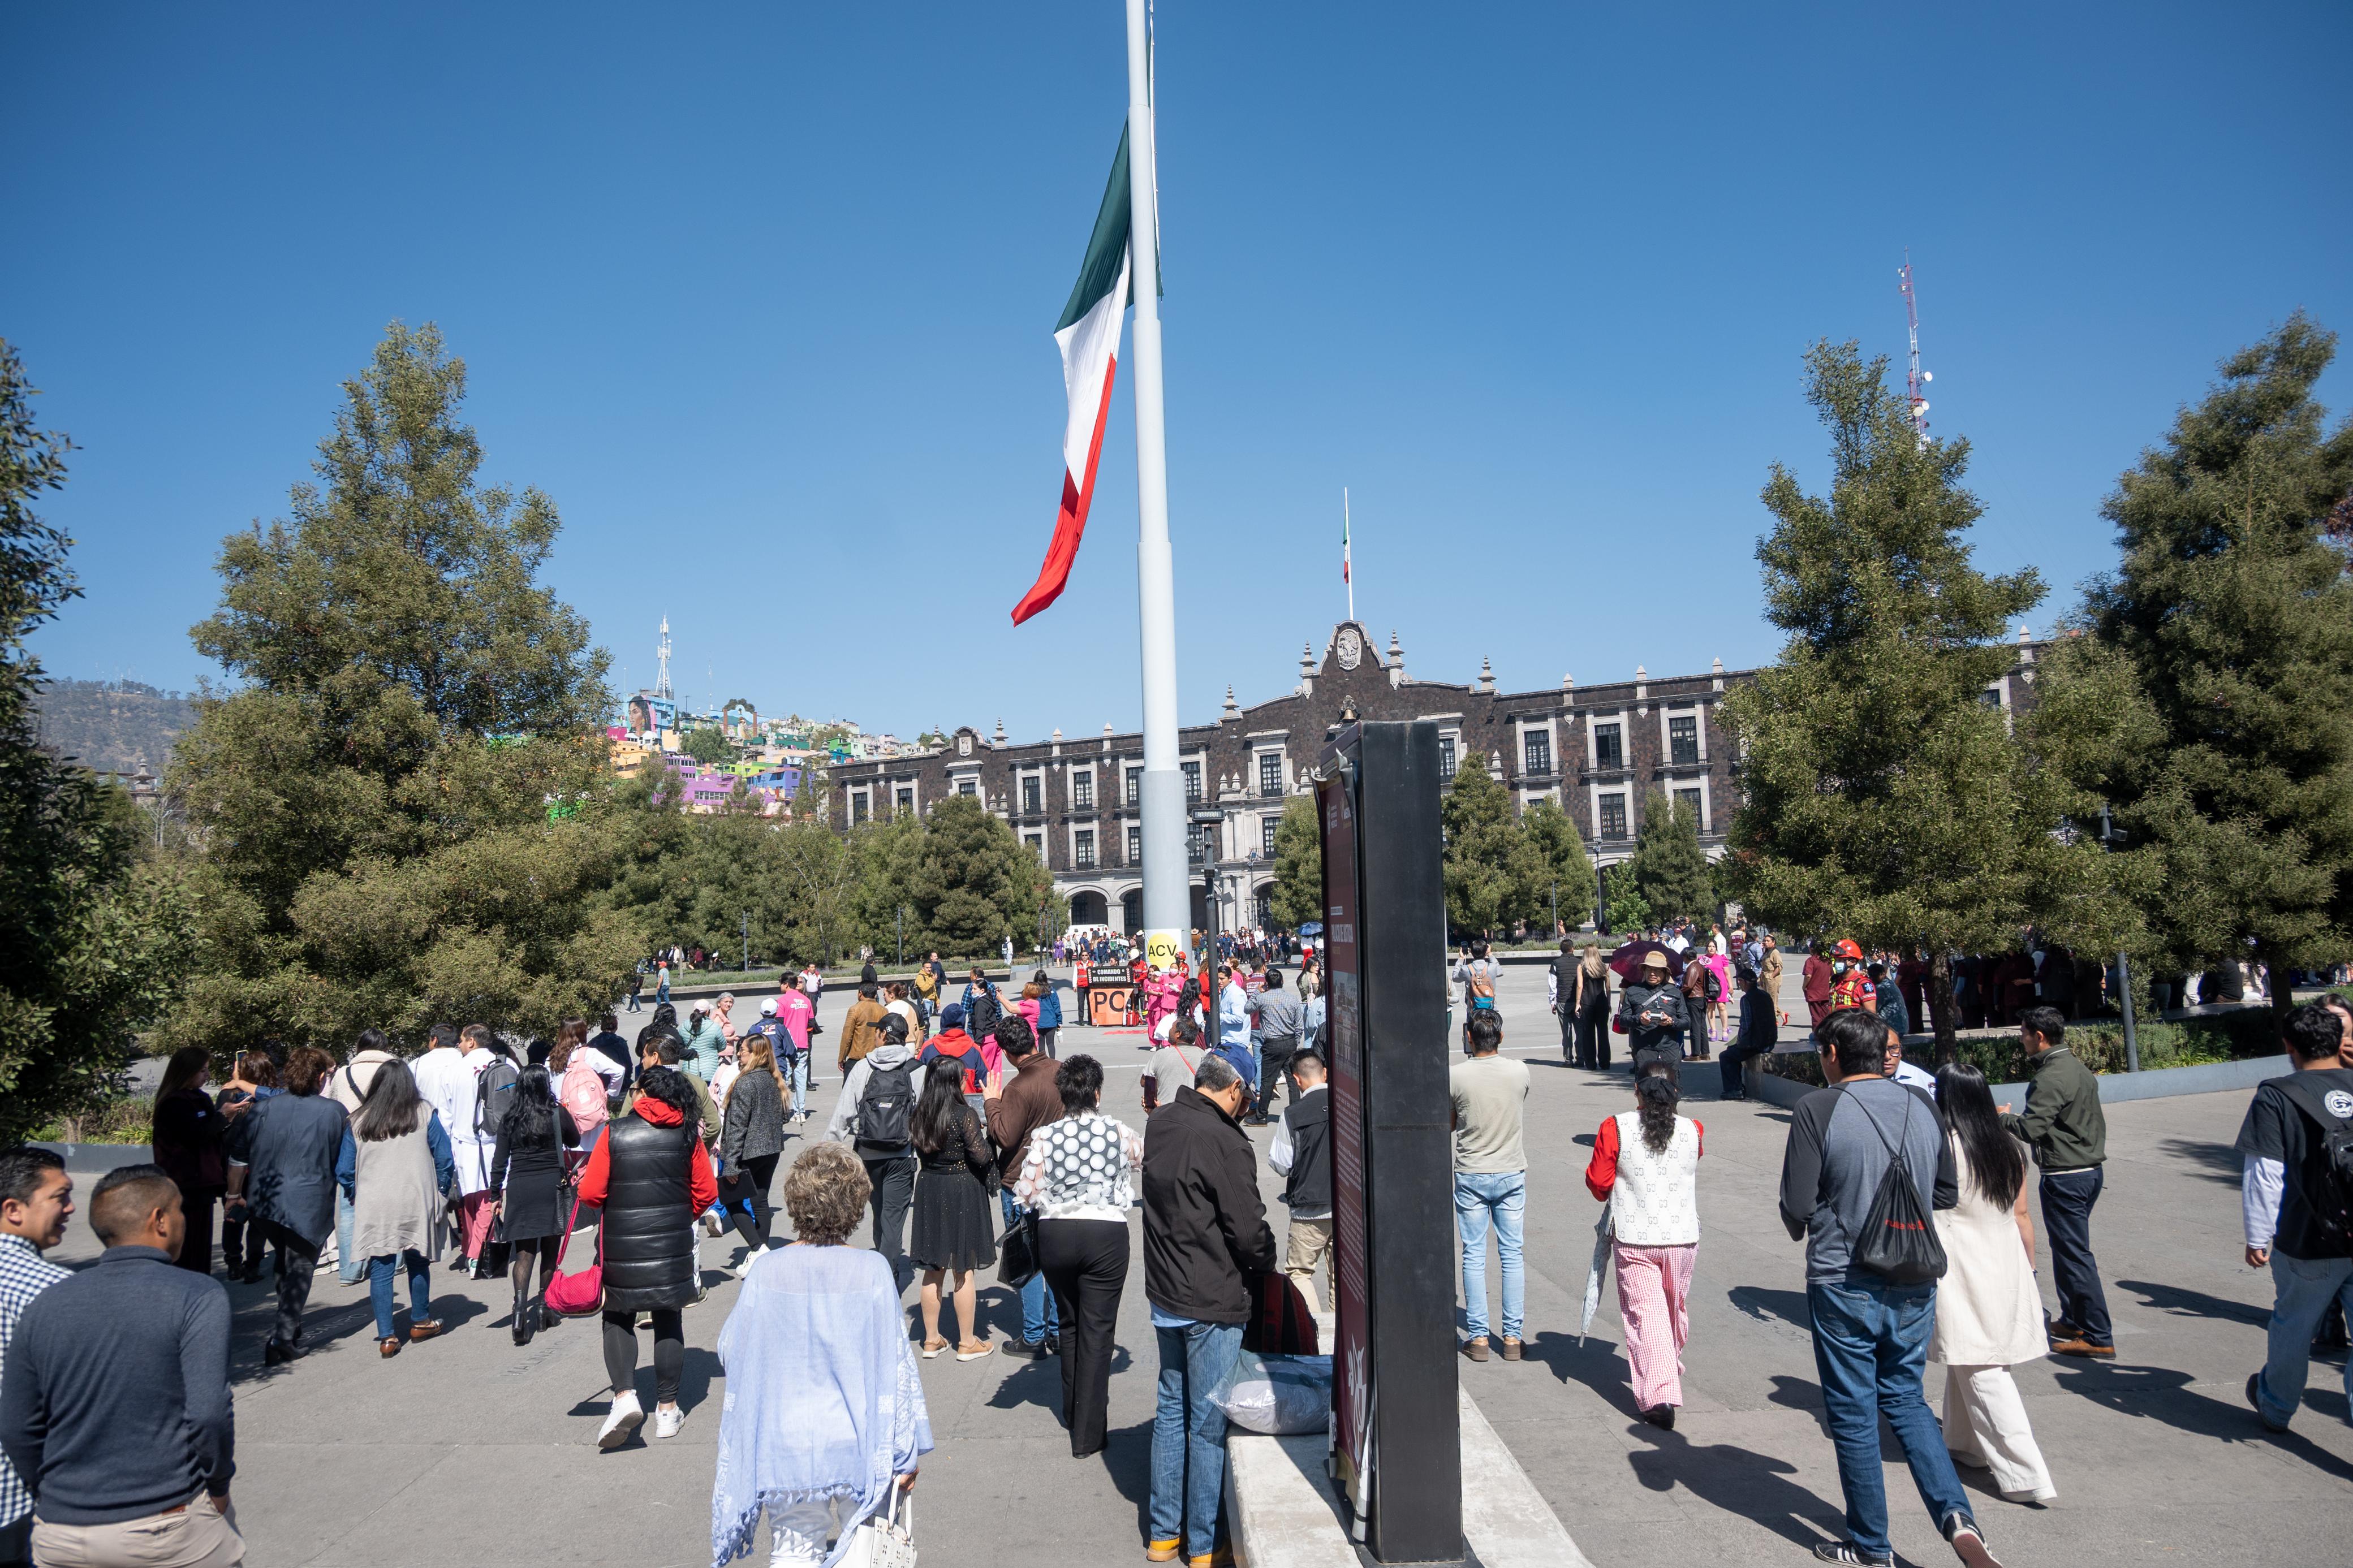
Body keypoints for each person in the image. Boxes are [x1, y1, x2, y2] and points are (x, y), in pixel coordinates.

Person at [1778, 1008, 1997, 1568]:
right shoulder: (1922, 1104)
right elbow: (1944, 1192)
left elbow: (1797, 1207)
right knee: (1906, 1399)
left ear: (1831, 1055)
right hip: (1914, 1277)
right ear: (1881, 1054)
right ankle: (1957, 1521)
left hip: (1841, 1279)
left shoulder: (1815, 1108)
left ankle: (1871, 1545)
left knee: (1853, 1414)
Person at [0, 1167, 240, 1568]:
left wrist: (49, 1493)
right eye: (179, 1209)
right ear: (160, 1220)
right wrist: (218, 1483)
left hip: (62, 1534)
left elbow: (16, 1424)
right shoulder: (197, 1294)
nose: (184, 1219)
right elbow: (208, 1412)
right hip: (166, 1526)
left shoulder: (47, 1302)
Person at [710, 1144, 933, 1567]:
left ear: (796, 1202)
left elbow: (731, 1349)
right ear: (857, 1204)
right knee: (861, 1548)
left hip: (787, 1437)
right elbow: (896, 1366)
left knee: (793, 1550)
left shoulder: (767, 1270)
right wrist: (906, 1450)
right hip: (858, 1435)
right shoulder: (873, 1271)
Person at [1142, 1052, 1275, 1567]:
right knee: (1206, 1421)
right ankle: (1202, 1543)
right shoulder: (1223, 1139)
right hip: (1211, 1295)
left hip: (1166, 1291)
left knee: (1172, 1411)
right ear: (1236, 1088)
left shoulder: (1162, 1122)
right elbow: (1248, 1231)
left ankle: (1162, 1534)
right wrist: (1265, 1262)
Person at [1929, 1063, 2055, 1504]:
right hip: (2006, 1259)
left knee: (1981, 1364)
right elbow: (2022, 1214)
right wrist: (2032, 1269)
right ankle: (1965, 1444)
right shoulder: (2010, 1145)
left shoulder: (1943, 1147)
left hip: (1959, 1265)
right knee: (1971, 1355)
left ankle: (2026, 1472)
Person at [576, 1065, 717, 1449]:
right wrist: (677, 1213)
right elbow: (706, 1194)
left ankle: (624, 1397)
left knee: (618, 1315)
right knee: (668, 1315)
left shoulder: (615, 1133)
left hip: (622, 1243)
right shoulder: (688, 1136)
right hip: (671, 1244)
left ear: (643, 1095)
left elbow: (590, 1192)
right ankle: (668, 1410)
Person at [1016, 1056, 1145, 1458]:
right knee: (1098, 1330)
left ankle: (1073, 1410)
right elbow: (1141, 1159)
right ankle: (1088, 1433)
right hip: (1105, 1232)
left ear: (1063, 1094)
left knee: (1070, 1322)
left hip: (1056, 1233)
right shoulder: (1120, 1132)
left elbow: (1027, 1192)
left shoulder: (1044, 1137)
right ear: (1097, 1092)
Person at [2238, 1000, 2353, 1432]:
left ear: (2289, 1045)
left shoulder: (2277, 1095)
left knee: (2292, 1327)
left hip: (2309, 1240)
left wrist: (2257, 1235)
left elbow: (2266, 1174)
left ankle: (2277, 1405)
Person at [1585, 1061, 1702, 1425]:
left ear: (1637, 1090)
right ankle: (1665, 1366)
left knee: (1645, 1314)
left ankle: (1660, 1397)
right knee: (1671, 1310)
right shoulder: (1694, 1130)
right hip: (1683, 1238)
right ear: (1677, 1093)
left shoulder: (1615, 1128)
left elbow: (1599, 1184)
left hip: (1635, 1237)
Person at [1998, 1005, 2112, 1359]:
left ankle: (2097, 1334)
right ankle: (2075, 1319)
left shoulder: (2050, 1077)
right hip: (2086, 1171)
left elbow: (2032, 1129)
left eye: (2024, 1034)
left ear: (2039, 1037)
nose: (2022, 1040)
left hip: (2067, 1175)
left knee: (2074, 1254)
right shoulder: (2075, 1067)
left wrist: (2003, 1118)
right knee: (2067, 1251)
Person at [223, 1046, 346, 1365]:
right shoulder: (333, 1112)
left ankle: (290, 1322)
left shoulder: (263, 1109)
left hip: (264, 1201)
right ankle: (282, 1337)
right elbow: (344, 1162)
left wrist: (233, 1195)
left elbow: (239, 1156)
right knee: (300, 1268)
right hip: (309, 1202)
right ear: (321, 1077)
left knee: (283, 1261)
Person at [339, 1058, 455, 1356]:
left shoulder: (358, 1120)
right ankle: (420, 1321)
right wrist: (441, 1192)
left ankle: (387, 1337)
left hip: (375, 1201)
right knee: (418, 1261)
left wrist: (355, 1193)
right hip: (416, 1197)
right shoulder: (424, 1112)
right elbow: (444, 1158)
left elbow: (343, 1170)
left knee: (381, 1268)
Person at [0, 1148, 71, 1566]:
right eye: (59, 1197)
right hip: (17, 1496)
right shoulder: (51, 1288)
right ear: (13, 1208)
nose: (70, 1207)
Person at [1450, 1008, 1531, 1362]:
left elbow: (1450, 1122)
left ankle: (1479, 1337)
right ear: (1501, 1036)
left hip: (1472, 1171)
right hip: (1511, 1168)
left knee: (1474, 1253)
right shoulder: (1519, 1071)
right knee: (1512, 1254)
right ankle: (1512, 1337)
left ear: (1469, 1036)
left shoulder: (1456, 1076)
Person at [982, 1016, 1065, 1356]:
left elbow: (1005, 1135)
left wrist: (991, 1101)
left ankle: (1034, 1334)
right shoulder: (1061, 1070)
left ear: (1008, 1053)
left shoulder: (1018, 1088)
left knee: (1027, 1258)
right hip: (1061, 1176)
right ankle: (1060, 1331)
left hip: (1021, 1182)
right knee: (1057, 1258)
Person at [827, 1014, 922, 1298]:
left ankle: (884, 1265)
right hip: (902, 1155)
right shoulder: (918, 1069)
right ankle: (888, 1274)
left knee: (879, 1214)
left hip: (867, 1155)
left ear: (881, 1035)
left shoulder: (863, 1068)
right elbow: (927, 1116)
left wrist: (826, 1154)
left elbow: (843, 1115)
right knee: (893, 1219)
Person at [908, 1063, 996, 1362]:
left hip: (930, 1185)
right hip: (960, 1188)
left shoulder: (920, 1113)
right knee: (963, 1266)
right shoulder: (964, 1115)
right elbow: (981, 1155)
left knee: (934, 1267)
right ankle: (967, 1342)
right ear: (956, 1083)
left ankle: (931, 1339)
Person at [488, 1065, 581, 1346]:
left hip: (519, 1187)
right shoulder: (555, 1114)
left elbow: (499, 1161)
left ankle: (519, 1312)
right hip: (550, 1186)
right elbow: (575, 1139)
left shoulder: (510, 1118)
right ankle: (544, 1307)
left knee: (525, 1252)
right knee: (550, 1249)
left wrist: (495, 1196)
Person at [412, 1024, 498, 1277]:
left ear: (471, 1042)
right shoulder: (504, 1065)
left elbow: (446, 1116)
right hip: (495, 1143)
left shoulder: (453, 1071)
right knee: (488, 1198)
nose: (459, 1045)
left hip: (462, 1145)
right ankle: (476, 1252)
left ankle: (473, 1252)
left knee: (470, 1200)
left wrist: (445, 1149)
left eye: (462, 1040)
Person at [149, 1046, 227, 1276]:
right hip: (184, 1187)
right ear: (187, 1071)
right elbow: (196, 1136)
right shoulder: (175, 1103)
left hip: (202, 1186)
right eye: (202, 1071)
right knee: (187, 1250)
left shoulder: (198, 1098)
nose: (208, 1076)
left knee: (200, 1249)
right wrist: (222, 1117)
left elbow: (209, 1136)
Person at [718, 1032, 788, 1276]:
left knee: (731, 1199)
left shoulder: (746, 1083)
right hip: (770, 1151)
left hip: (748, 1152)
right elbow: (783, 1116)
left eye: (744, 1051)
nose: (739, 1053)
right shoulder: (773, 1079)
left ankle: (758, 1248)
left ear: (756, 1054)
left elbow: (737, 1126)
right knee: (760, 1201)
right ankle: (761, 1253)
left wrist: (730, 1164)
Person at [1268, 1047, 1332, 1308]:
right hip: (1346, 1206)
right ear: (1325, 1073)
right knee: (1343, 1277)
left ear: (1296, 1080)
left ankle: (1314, 1332)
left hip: (1308, 1208)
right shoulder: (1349, 1102)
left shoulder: (1293, 1115)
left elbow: (1281, 1164)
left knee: (1300, 1273)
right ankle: (1342, 1333)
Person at [212, 1051, 280, 1276]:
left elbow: (218, 1128)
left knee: (232, 1215)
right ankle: (253, 1264)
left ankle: (233, 1262)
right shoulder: (270, 1098)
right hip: (262, 1166)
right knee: (258, 1220)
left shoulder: (227, 1095)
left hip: (231, 1166)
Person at [1247, 969, 1304, 1124]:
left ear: (1267, 984)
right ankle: (1296, 1115)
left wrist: (1257, 993)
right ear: (1283, 982)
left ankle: (1261, 1116)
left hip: (1272, 1043)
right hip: (1290, 1040)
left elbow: (1247, 1009)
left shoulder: (1263, 998)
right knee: (1292, 1080)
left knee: (1268, 1081)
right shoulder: (1292, 999)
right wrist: (1296, 1041)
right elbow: (1299, 1025)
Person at [1617, 951, 1689, 1065]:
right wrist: (1639, 1019)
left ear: (1665, 973)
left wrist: (1671, 1021)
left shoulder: (1675, 993)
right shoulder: (1633, 991)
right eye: (1649, 969)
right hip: (1643, 1050)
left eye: (1657, 970)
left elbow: (1686, 1023)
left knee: (1669, 1083)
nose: (1652, 973)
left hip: (1669, 1051)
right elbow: (1623, 1020)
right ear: (1644, 971)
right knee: (1646, 1083)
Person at [1720, 966, 1775, 1100]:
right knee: (1732, 1051)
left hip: (1756, 1043)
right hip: (1769, 1040)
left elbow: (1746, 1024)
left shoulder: (1747, 999)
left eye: (1740, 982)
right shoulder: (1765, 995)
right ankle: (1737, 1085)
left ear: (1744, 982)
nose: (1740, 985)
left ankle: (1735, 1089)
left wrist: (1739, 1041)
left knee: (1726, 1056)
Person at [1142, 1015, 1205, 1113]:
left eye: (1172, 1027)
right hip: (1196, 1114)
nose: (1170, 1030)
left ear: (1178, 1034)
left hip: (1167, 1115)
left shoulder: (1161, 1055)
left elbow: (1145, 1082)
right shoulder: (1203, 1055)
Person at [775, 980, 816, 1123]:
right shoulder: (806, 1000)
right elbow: (811, 1023)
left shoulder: (782, 1001)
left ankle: (782, 1112)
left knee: (784, 1080)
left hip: (787, 1046)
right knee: (800, 1080)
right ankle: (800, 1112)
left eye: (781, 983)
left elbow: (778, 1024)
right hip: (803, 1044)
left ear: (786, 984)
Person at [838, 982, 889, 1078]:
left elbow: (847, 1036)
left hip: (857, 1057)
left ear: (860, 993)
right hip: (876, 1057)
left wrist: (842, 1057)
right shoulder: (884, 1010)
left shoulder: (855, 1009)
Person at [1680, 949, 1716, 1062]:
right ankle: (1705, 1053)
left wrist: (1679, 992)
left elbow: (1689, 985)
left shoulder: (1693, 967)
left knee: (1695, 1026)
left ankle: (1696, 1053)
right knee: (1702, 1025)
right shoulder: (1700, 965)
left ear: (1686, 957)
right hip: (1701, 998)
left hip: (1694, 998)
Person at [1803, 943, 1836, 1033]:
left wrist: (1804, 986)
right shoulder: (1827, 961)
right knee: (1825, 1016)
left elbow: (1808, 976)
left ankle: (1818, 1036)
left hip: (1814, 993)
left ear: (1812, 949)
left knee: (1816, 1017)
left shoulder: (1811, 961)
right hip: (1825, 993)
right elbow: (1831, 976)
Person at [1034, 968, 1063, 1056]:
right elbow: (1057, 1006)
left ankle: (1043, 1064)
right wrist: (1059, 1021)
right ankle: (1052, 1062)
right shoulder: (1052, 990)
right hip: (1051, 1020)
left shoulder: (1034, 991)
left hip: (1039, 1021)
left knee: (1041, 1045)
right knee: (1051, 1044)